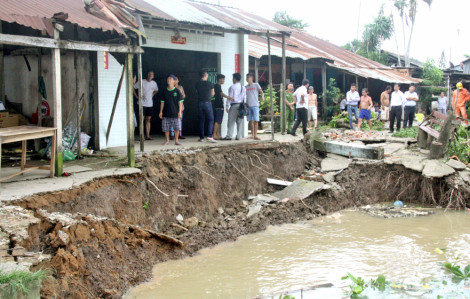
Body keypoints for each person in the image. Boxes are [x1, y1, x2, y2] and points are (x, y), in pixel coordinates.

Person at [159, 74, 183, 146]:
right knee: (166, 128)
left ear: (174, 81)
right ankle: (167, 140)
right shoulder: (164, 91)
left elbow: (180, 102)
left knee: (176, 127)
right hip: (166, 113)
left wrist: (179, 112)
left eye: (170, 79)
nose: (169, 80)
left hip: (175, 112)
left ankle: (176, 141)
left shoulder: (177, 91)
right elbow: (162, 102)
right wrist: (160, 112)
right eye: (168, 78)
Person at [133, 71, 158, 140]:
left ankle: (147, 135)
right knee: (141, 119)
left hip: (149, 104)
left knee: (148, 119)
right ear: (147, 75)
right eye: (149, 74)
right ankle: (141, 136)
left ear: (153, 76)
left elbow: (156, 90)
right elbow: (133, 87)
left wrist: (152, 95)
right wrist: (137, 96)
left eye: (152, 74)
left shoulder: (154, 83)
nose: (150, 75)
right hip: (142, 103)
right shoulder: (142, 81)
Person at [195, 71, 216, 143]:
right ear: (205, 75)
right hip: (207, 102)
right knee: (211, 119)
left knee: (201, 120)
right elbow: (213, 94)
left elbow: (196, 92)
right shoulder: (210, 83)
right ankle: (209, 136)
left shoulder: (197, 84)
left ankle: (201, 137)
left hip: (200, 102)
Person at [224, 73, 246, 141]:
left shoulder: (232, 87)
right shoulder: (243, 87)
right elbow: (244, 97)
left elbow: (230, 98)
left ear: (234, 79)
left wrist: (227, 106)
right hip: (241, 106)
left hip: (234, 106)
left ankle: (229, 136)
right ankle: (239, 136)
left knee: (231, 121)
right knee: (239, 122)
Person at [245, 73, 264, 140]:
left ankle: (255, 135)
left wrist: (262, 96)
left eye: (248, 77)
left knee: (256, 120)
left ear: (251, 78)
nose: (247, 79)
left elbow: (261, 92)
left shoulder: (256, 85)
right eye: (246, 77)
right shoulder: (246, 87)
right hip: (248, 106)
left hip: (255, 105)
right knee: (250, 121)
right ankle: (252, 135)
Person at [213, 74, 232, 140]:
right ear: (219, 79)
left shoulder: (217, 86)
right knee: (217, 120)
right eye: (223, 79)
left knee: (218, 121)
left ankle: (217, 134)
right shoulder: (217, 86)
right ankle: (214, 134)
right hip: (218, 105)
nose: (224, 80)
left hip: (217, 105)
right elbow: (221, 94)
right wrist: (228, 97)